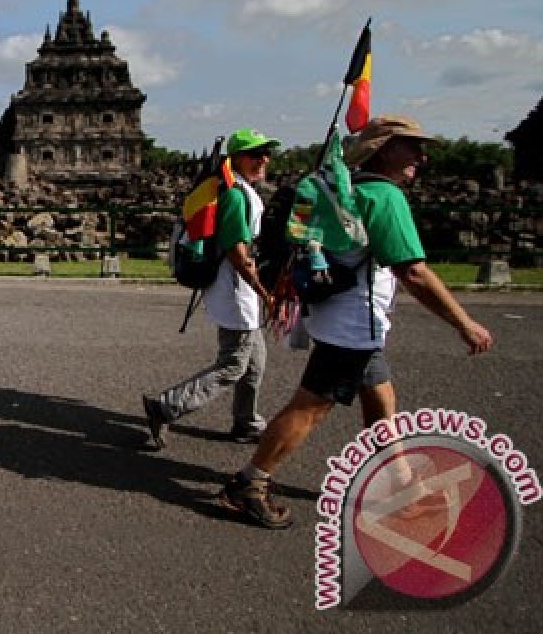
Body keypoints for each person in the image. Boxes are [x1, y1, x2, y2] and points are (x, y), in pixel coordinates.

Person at [217, 115, 495, 529]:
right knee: (310, 407)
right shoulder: (383, 196)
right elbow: (413, 272)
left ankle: (400, 485)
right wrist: (464, 323)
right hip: (352, 325)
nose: (422, 155)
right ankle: (250, 482)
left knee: (381, 400)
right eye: (411, 146)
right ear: (384, 149)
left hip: (339, 313)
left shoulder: (338, 188)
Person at [142, 127, 280, 451]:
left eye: (266, 153)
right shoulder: (235, 194)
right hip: (236, 291)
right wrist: (265, 293)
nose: (263, 159)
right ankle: (165, 407)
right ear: (235, 158)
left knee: (254, 361)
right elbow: (238, 253)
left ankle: (246, 421)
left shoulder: (242, 190)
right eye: (254, 154)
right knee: (234, 364)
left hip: (236, 289)